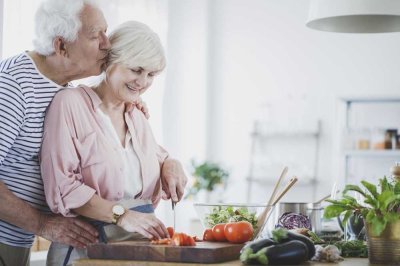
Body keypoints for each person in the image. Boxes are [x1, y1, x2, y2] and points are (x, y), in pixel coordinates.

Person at [0, 0, 186, 265]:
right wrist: (42, 223)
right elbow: (64, 182)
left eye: (151, 74)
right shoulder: (15, 86)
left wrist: (170, 162)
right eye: (95, 35)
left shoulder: (62, 87)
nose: (106, 44)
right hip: (9, 233)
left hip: (21, 236)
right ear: (61, 46)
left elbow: (135, 155)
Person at [40, 20, 181, 265]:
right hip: (86, 251)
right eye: (136, 70)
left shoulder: (137, 116)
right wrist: (121, 215)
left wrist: (170, 163)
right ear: (111, 60)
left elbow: (153, 158)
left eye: (151, 74)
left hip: (136, 251)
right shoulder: (70, 103)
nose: (143, 82)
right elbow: (63, 187)